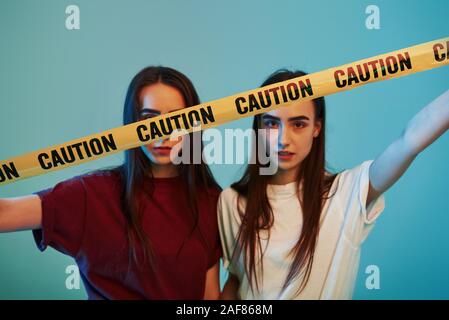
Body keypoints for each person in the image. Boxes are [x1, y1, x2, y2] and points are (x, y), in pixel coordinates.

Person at [218, 69, 449, 299]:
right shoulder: (232, 201)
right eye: (272, 123)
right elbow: (237, 280)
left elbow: (410, 140)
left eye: (298, 124)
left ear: (316, 128)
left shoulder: (347, 192)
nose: (283, 139)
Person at [0, 66, 222, 300]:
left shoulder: (210, 201)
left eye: (176, 119)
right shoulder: (91, 195)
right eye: (149, 119)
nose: (163, 133)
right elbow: (5, 213)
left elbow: (209, 298)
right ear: (132, 124)